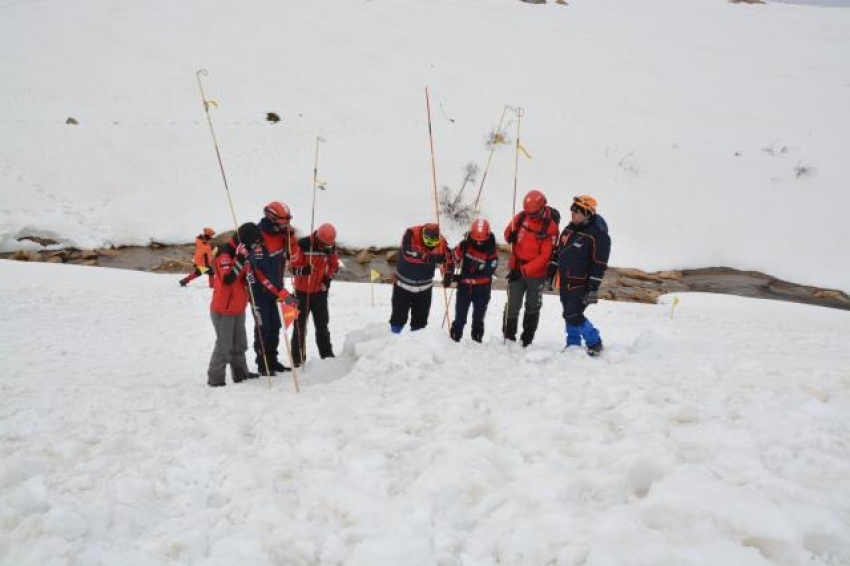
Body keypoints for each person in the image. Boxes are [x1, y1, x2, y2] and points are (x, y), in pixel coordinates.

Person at [207, 223, 295, 387]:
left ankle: (241, 373)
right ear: (245, 241)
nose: (255, 247)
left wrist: (248, 268)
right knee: (224, 346)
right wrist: (240, 258)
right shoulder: (223, 254)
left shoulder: (244, 253)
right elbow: (228, 279)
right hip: (223, 309)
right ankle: (215, 379)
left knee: (240, 344)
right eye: (253, 244)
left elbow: (248, 277)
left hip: (238, 307)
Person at [550, 194, 611, 356]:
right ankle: (573, 344)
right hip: (564, 281)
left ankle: (594, 341)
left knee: (573, 314)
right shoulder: (568, 229)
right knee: (568, 313)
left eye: (577, 210)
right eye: (572, 209)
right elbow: (559, 252)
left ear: (588, 213)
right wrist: (552, 266)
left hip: (582, 284)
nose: (573, 213)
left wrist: (593, 285)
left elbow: (600, 262)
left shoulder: (598, 234)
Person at [503, 189, 560, 347]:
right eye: (529, 213)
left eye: (533, 213)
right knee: (512, 304)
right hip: (516, 268)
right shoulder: (522, 216)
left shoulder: (551, 228)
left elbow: (544, 258)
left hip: (536, 274)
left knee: (532, 306)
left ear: (542, 207)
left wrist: (522, 271)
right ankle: (508, 336)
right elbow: (507, 233)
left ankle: (527, 339)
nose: (531, 216)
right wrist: (510, 234)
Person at [249, 201, 297, 376]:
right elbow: (258, 273)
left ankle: (272, 360)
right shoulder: (256, 236)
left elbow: (293, 256)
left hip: (276, 289)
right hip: (258, 291)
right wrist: (279, 292)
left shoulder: (282, 235)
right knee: (264, 327)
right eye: (283, 222)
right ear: (271, 218)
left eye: (287, 222)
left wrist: (291, 238)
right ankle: (263, 364)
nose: (286, 225)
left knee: (276, 325)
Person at [289, 223, 340, 367]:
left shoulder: (331, 246)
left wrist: (328, 279)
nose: (326, 248)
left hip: (320, 293)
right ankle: (298, 360)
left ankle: (327, 356)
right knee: (299, 327)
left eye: (329, 245)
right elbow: (292, 268)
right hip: (301, 293)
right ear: (318, 238)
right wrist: (303, 271)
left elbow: (334, 266)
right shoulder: (303, 244)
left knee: (322, 326)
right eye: (324, 245)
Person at [390, 223, 454, 333]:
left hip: (424, 288)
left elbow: (448, 260)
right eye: (428, 242)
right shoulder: (411, 234)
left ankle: (417, 343)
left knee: (420, 321)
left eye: (433, 243)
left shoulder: (442, 243)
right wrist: (428, 257)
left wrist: (448, 274)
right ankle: (394, 336)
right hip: (402, 285)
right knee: (398, 316)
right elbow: (407, 253)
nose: (430, 246)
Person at [449, 218, 498, 343]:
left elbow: (486, 277)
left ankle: (476, 338)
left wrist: (462, 278)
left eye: (481, 241)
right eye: (476, 240)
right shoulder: (466, 244)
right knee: (460, 315)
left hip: (482, 290)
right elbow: (453, 259)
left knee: (478, 317)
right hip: (464, 289)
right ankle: (455, 336)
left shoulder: (492, 253)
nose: (478, 243)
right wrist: (459, 250)